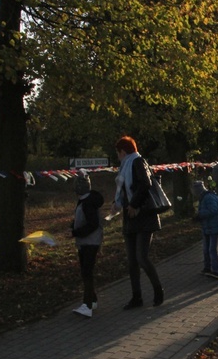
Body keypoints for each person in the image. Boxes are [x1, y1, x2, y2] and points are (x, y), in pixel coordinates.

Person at [110, 136, 165, 309]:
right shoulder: (125, 165)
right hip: (130, 216)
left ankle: (158, 291)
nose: (117, 156)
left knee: (142, 257)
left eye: (118, 153)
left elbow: (145, 184)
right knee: (132, 260)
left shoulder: (137, 162)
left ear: (123, 152)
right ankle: (136, 297)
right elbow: (124, 190)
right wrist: (116, 204)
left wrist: (134, 204)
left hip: (144, 215)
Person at [70, 170, 104, 318]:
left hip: (90, 242)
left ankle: (87, 305)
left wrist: (76, 232)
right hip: (86, 242)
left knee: (87, 272)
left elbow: (92, 224)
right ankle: (93, 299)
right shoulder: (84, 201)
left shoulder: (88, 203)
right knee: (85, 271)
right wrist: (73, 227)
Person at [192, 180, 218, 280]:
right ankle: (207, 267)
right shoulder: (204, 197)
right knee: (206, 249)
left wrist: (200, 215)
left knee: (211, 249)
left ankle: (216, 270)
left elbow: (213, 210)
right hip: (207, 226)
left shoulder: (208, 197)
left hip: (212, 226)